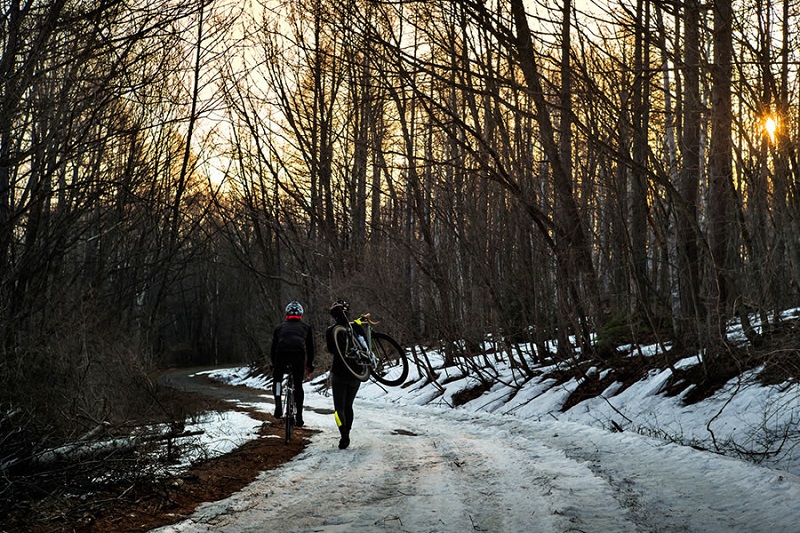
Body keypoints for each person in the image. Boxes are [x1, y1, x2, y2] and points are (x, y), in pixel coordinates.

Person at [271, 300, 315, 427]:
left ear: (287, 314)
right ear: (301, 314)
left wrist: (274, 364)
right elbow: (310, 348)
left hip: (281, 354)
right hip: (298, 355)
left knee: (277, 380)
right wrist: (309, 364)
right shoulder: (306, 328)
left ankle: (278, 405)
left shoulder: (279, 328)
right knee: (298, 385)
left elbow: (273, 349)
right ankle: (299, 416)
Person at [326, 299, 362, 449]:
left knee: (338, 409)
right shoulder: (357, 327)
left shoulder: (330, 331)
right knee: (348, 406)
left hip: (339, 372)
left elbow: (331, 350)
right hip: (356, 372)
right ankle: (348, 431)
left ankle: (344, 435)